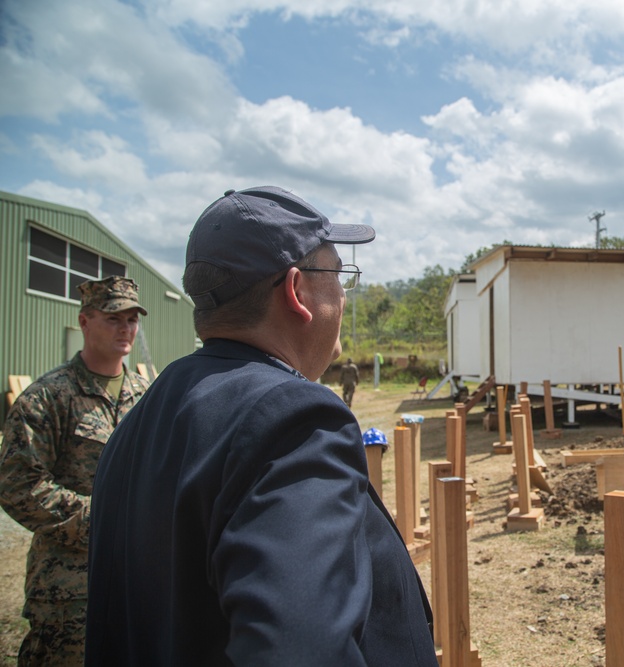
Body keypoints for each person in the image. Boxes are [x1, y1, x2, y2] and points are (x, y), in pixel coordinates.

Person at [86, 186, 437, 666]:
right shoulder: (294, 419)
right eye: (339, 275)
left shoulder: (142, 421)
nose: (343, 295)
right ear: (297, 292)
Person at [0, 276, 149, 666]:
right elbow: (17, 484)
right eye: (114, 317)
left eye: (132, 319)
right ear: (85, 322)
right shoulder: (48, 397)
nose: (126, 328)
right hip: (69, 588)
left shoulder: (146, 397)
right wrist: (98, 520)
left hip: (134, 580)